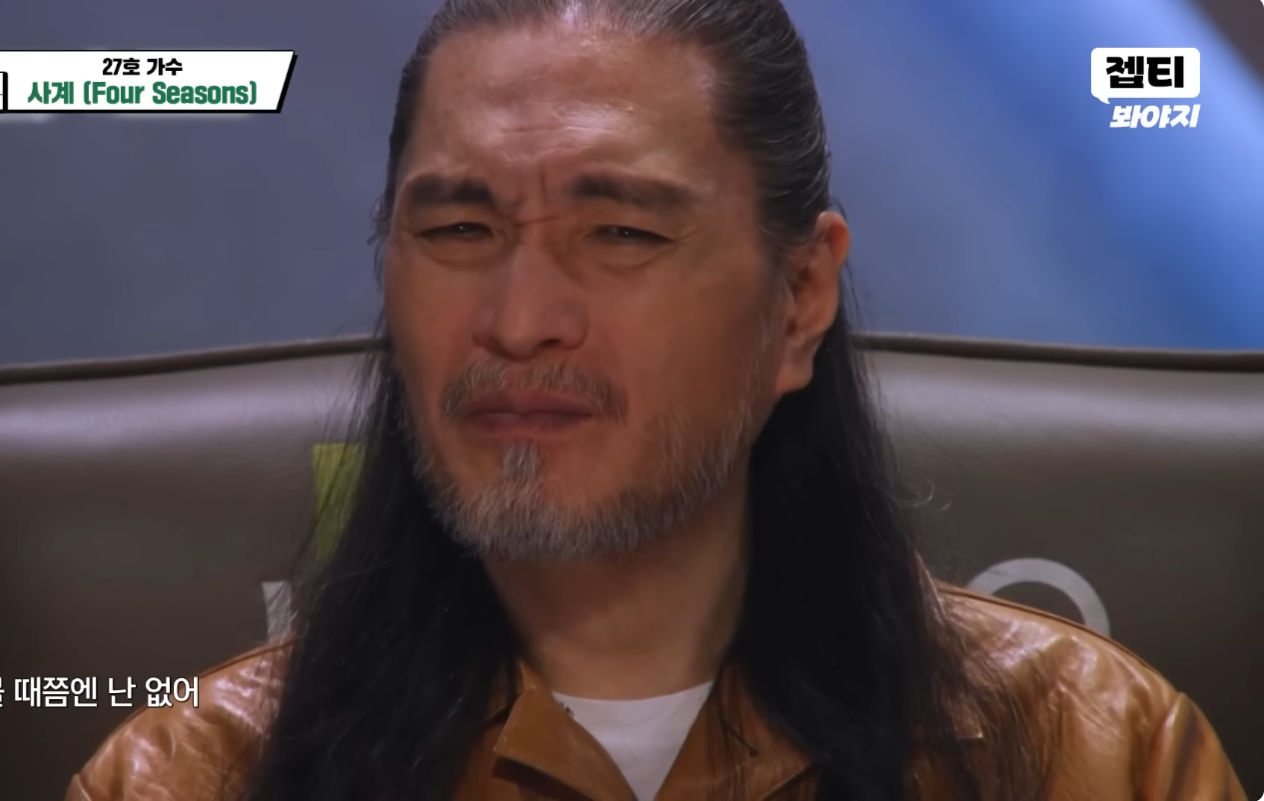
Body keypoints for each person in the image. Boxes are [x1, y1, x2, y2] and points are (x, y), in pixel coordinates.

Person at [65, 0, 1247, 799]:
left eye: (620, 232)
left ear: (798, 299)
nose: (519, 318)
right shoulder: (192, 777)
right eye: (459, 229)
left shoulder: (1096, 754)